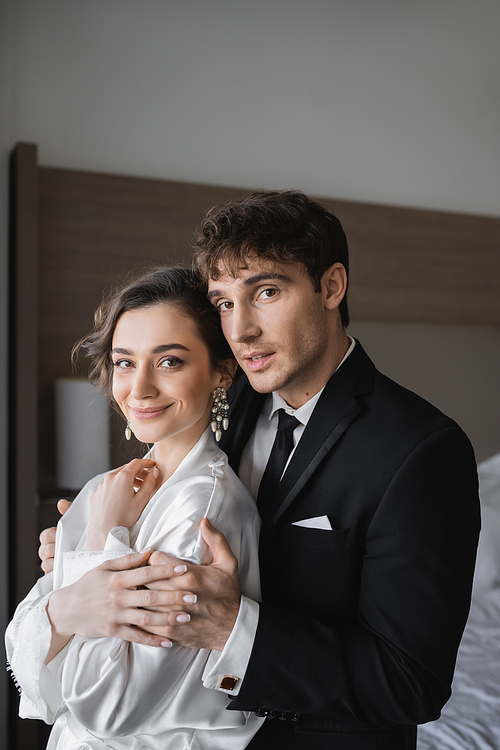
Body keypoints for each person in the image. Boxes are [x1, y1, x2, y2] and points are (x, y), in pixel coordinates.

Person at [38, 191, 480, 750]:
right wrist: (89, 551)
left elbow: (411, 682)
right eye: (222, 303)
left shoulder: (421, 451)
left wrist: (234, 630)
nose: (240, 329)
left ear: (331, 286)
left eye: (266, 292)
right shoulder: (223, 392)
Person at [6, 266, 264, 749]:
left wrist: (96, 541)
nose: (139, 388)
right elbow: (19, 642)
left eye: (169, 362)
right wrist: (66, 604)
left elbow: (104, 706)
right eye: (125, 362)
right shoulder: (112, 489)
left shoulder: (201, 511)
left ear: (221, 371)